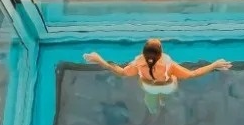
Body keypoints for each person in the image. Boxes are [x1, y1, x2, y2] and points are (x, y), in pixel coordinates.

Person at [84, 39, 231, 115]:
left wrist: (100, 60)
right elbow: (193, 74)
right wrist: (214, 64)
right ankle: (164, 101)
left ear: (143, 53)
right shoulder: (168, 65)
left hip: (149, 87)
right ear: (160, 54)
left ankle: (153, 110)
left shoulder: (138, 63)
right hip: (168, 87)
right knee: (169, 92)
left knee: (151, 102)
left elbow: (121, 72)